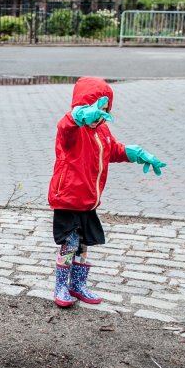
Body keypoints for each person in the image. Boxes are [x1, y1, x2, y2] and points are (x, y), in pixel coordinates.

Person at [48, 76, 168, 307]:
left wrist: (136, 154)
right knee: (70, 243)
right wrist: (80, 116)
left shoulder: (102, 130)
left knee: (84, 244)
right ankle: (61, 285)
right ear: (81, 106)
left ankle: (78, 284)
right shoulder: (73, 130)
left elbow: (112, 150)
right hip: (68, 198)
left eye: (104, 110)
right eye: (94, 110)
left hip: (88, 201)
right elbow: (65, 126)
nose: (99, 116)